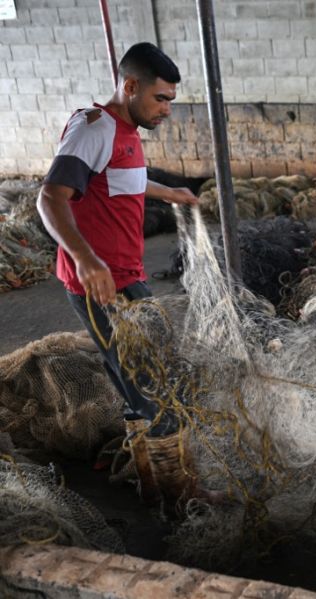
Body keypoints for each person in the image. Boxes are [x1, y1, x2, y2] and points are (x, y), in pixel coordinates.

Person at [38, 42, 203, 513]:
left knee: (134, 379)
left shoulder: (125, 131)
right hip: (103, 283)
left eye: (171, 99)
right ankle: (181, 497)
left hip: (125, 275)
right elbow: (50, 198)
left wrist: (165, 190)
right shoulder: (93, 128)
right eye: (160, 99)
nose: (167, 110)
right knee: (157, 385)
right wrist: (87, 260)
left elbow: (117, 179)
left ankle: (153, 484)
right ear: (129, 87)